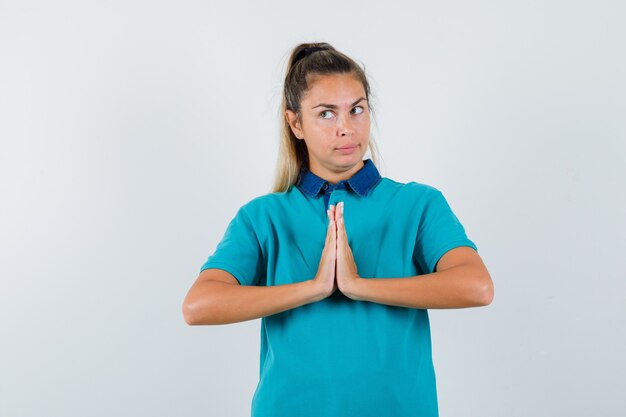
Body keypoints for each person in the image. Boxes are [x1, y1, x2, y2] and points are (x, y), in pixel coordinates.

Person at [183, 42, 494, 417]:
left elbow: (477, 287)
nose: (346, 128)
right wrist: (314, 288)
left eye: (356, 110)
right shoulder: (262, 216)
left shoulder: (418, 204)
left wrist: (358, 285)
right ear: (296, 123)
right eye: (326, 114)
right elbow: (198, 306)